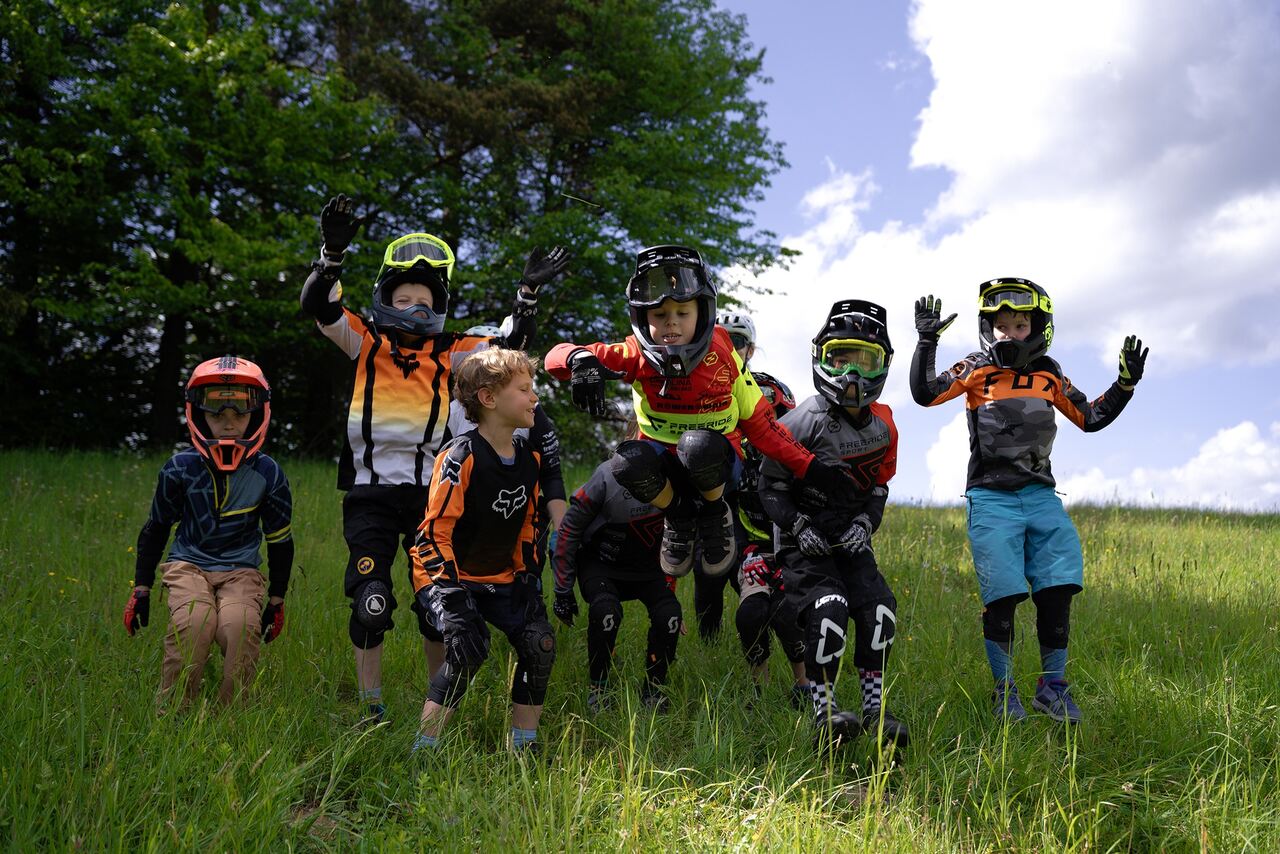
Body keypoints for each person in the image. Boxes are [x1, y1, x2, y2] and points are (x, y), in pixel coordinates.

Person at [299, 194, 569, 721]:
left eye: (424, 300)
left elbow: (511, 346)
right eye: (403, 299)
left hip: (432, 495)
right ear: (384, 298)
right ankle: (370, 708)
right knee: (371, 602)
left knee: (436, 606)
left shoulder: (454, 350)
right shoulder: (366, 340)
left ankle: (439, 699)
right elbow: (319, 305)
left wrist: (527, 294)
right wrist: (330, 256)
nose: (414, 308)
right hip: (371, 493)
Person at [545, 245, 857, 585]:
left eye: (683, 312)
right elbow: (553, 359)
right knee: (623, 460)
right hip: (665, 470)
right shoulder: (635, 353)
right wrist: (580, 360)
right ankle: (677, 516)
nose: (671, 323)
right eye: (659, 315)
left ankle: (714, 510)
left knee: (697, 445)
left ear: (703, 311)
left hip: (718, 464)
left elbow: (764, 428)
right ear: (641, 317)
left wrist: (814, 470)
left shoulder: (723, 351)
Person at [909, 279, 1147, 724]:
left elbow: (1090, 417)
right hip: (991, 497)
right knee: (1003, 594)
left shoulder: (1049, 373)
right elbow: (925, 393)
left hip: (1040, 496)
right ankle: (1004, 691)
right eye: (1001, 326)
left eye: (1019, 325)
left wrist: (1125, 385)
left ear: (1037, 328)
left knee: (1058, 586)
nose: (1009, 333)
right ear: (988, 328)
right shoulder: (976, 368)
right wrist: (927, 341)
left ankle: (1051, 688)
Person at [759, 300, 908, 749]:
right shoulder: (802, 421)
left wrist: (866, 522)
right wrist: (798, 526)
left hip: (851, 539)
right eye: (840, 359)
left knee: (880, 612)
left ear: (883, 365)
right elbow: (769, 486)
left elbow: (879, 487)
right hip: (805, 545)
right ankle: (824, 714)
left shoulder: (886, 426)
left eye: (866, 361)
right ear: (820, 358)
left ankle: (874, 712)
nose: (852, 374)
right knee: (830, 611)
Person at [123, 356, 293, 708]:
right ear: (199, 414)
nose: (228, 423)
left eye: (239, 414)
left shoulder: (269, 474)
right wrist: (141, 588)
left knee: (239, 625)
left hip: (241, 571)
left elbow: (280, 541)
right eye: (217, 413)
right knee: (195, 622)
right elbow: (156, 529)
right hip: (188, 565)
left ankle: (234, 717)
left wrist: (276, 599)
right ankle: (174, 714)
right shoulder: (179, 468)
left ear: (257, 414)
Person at [409, 349, 555, 752]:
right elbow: (432, 534)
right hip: (444, 575)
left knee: (539, 642)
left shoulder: (530, 459)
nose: (534, 398)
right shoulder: (460, 457)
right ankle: (424, 750)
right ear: (489, 399)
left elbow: (529, 525)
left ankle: (523, 748)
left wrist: (528, 579)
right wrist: (453, 597)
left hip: (499, 575)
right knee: (468, 645)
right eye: (524, 389)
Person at [708, 311, 809, 707]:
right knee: (751, 614)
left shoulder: (776, 399)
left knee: (786, 612)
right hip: (746, 537)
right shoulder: (705, 395)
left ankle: (804, 686)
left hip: (790, 536)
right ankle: (760, 691)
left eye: (738, 341)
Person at [550, 443, 682, 712]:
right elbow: (568, 531)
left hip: (648, 567)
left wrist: (671, 587)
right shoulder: (605, 476)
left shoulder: (674, 474)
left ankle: (654, 690)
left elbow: (680, 537)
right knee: (606, 612)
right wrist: (563, 590)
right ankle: (598, 688)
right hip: (602, 564)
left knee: (670, 616)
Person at [445, 324, 567, 581]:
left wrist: (563, 533)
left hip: (518, 520)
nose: (533, 397)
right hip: (467, 527)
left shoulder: (531, 412)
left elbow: (550, 473)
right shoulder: (449, 413)